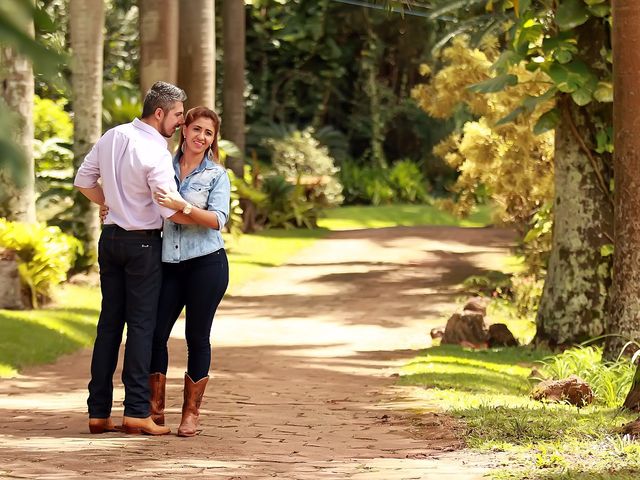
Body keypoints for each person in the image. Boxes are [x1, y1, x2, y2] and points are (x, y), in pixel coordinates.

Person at [74, 81, 193, 436]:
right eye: (176, 116)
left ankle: (98, 413)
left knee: (108, 326)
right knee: (141, 327)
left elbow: (83, 181)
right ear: (159, 113)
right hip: (142, 244)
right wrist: (202, 217)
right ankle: (137, 412)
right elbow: (167, 207)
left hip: (110, 240)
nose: (179, 123)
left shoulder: (113, 135)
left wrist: (107, 204)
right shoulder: (156, 149)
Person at [148, 106, 231, 437]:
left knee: (197, 337)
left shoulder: (216, 175)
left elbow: (217, 220)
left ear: (213, 140)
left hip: (207, 264)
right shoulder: (162, 166)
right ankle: (154, 412)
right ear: (185, 130)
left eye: (208, 133)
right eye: (197, 129)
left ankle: (190, 414)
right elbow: (146, 203)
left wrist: (181, 208)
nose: (201, 137)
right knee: (155, 334)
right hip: (169, 265)